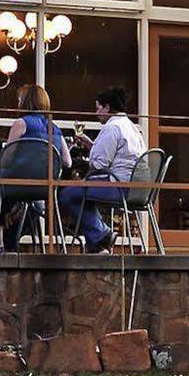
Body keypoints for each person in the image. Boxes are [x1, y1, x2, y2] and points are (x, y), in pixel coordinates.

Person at [64, 84, 146, 253]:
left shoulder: (112, 127)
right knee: (82, 193)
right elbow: (119, 156)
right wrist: (92, 146)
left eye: (98, 107)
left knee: (67, 194)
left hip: (119, 187)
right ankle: (97, 246)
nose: (96, 112)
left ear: (107, 107)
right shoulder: (131, 127)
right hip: (138, 188)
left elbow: (98, 165)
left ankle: (103, 234)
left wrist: (89, 161)